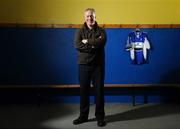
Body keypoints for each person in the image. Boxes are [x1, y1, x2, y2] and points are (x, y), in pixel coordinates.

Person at [73, 8, 107, 127]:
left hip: (98, 66)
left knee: (99, 93)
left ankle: (100, 117)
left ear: (95, 17)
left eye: (92, 16)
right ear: (84, 17)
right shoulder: (79, 31)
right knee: (84, 92)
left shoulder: (101, 31)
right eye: (87, 16)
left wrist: (87, 41)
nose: (90, 18)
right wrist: (93, 46)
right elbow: (77, 45)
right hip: (83, 66)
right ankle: (83, 116)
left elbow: (101, 43)